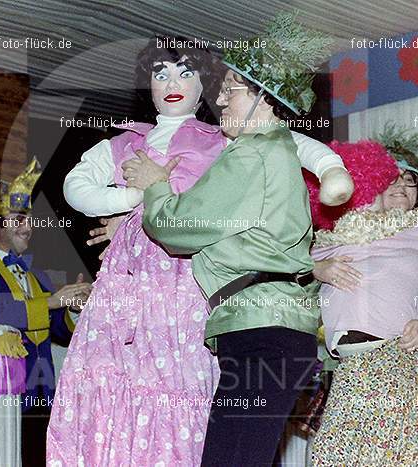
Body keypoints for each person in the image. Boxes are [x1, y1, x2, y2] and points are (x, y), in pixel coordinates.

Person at [48, 26, 352, 466]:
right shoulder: (126, 141)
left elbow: (181, 223)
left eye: (185, 73)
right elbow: (76, 185)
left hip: (197, 295)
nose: (172, 84)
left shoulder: (233, 146)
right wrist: (127, 207)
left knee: (190, 406)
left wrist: (331, 169)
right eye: (160, 73)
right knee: (114, 392)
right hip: (132, 292)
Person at [126, 14, 335, 465]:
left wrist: (155, 183)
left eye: (232, 89)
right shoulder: (275, 152)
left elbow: (175, 230)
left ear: (265, 99)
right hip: (268, 329)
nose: (219, 97)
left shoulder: (253, 154)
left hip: (264, 332)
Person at [307, 136, 418, 466]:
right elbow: (304, 299)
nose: (399, 187)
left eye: (409, 181)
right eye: (391, 179)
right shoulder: (337, 239)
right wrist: (318, 270)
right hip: (349, 367)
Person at [0, 160, 92, 467]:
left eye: (30, 220)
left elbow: (58, 331)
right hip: (2, 396)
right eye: (19, 218)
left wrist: (72, 310)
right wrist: (50, 302)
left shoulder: (39, 276)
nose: (28, 227)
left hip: (42, 395)